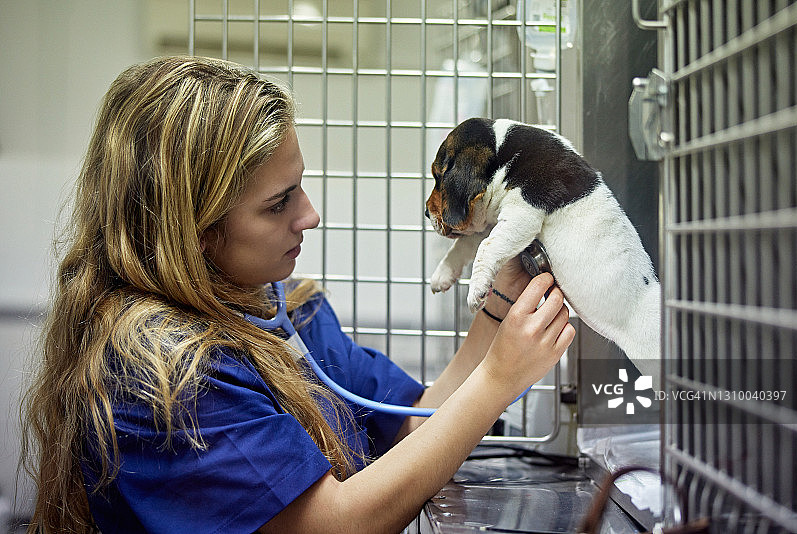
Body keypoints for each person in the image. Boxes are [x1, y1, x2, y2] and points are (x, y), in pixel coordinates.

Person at [21, 56, 574, 533]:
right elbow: (334, 524)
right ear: (193, 229)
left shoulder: (286, 308)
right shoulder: (161, 375)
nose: (310, 215)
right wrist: (500, 380)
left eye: (300, 185)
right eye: (278, 202)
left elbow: (414, 423)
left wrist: (498, 310)